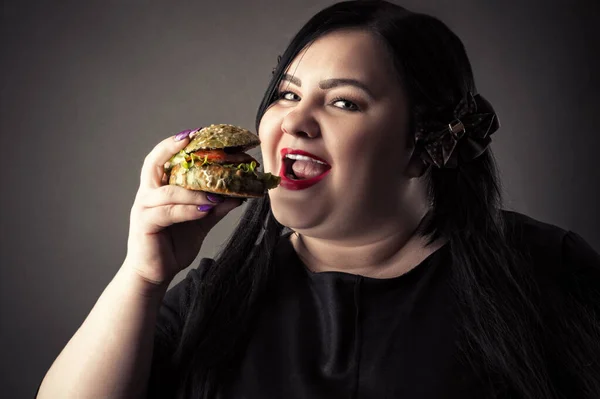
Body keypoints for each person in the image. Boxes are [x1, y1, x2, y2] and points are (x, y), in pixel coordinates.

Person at [36, 1, 600, 398]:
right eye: (286, 93)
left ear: (423, 147)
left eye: (345, 103)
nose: (295, 122)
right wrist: (141, 275)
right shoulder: (217, 295)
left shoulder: (544, 270)